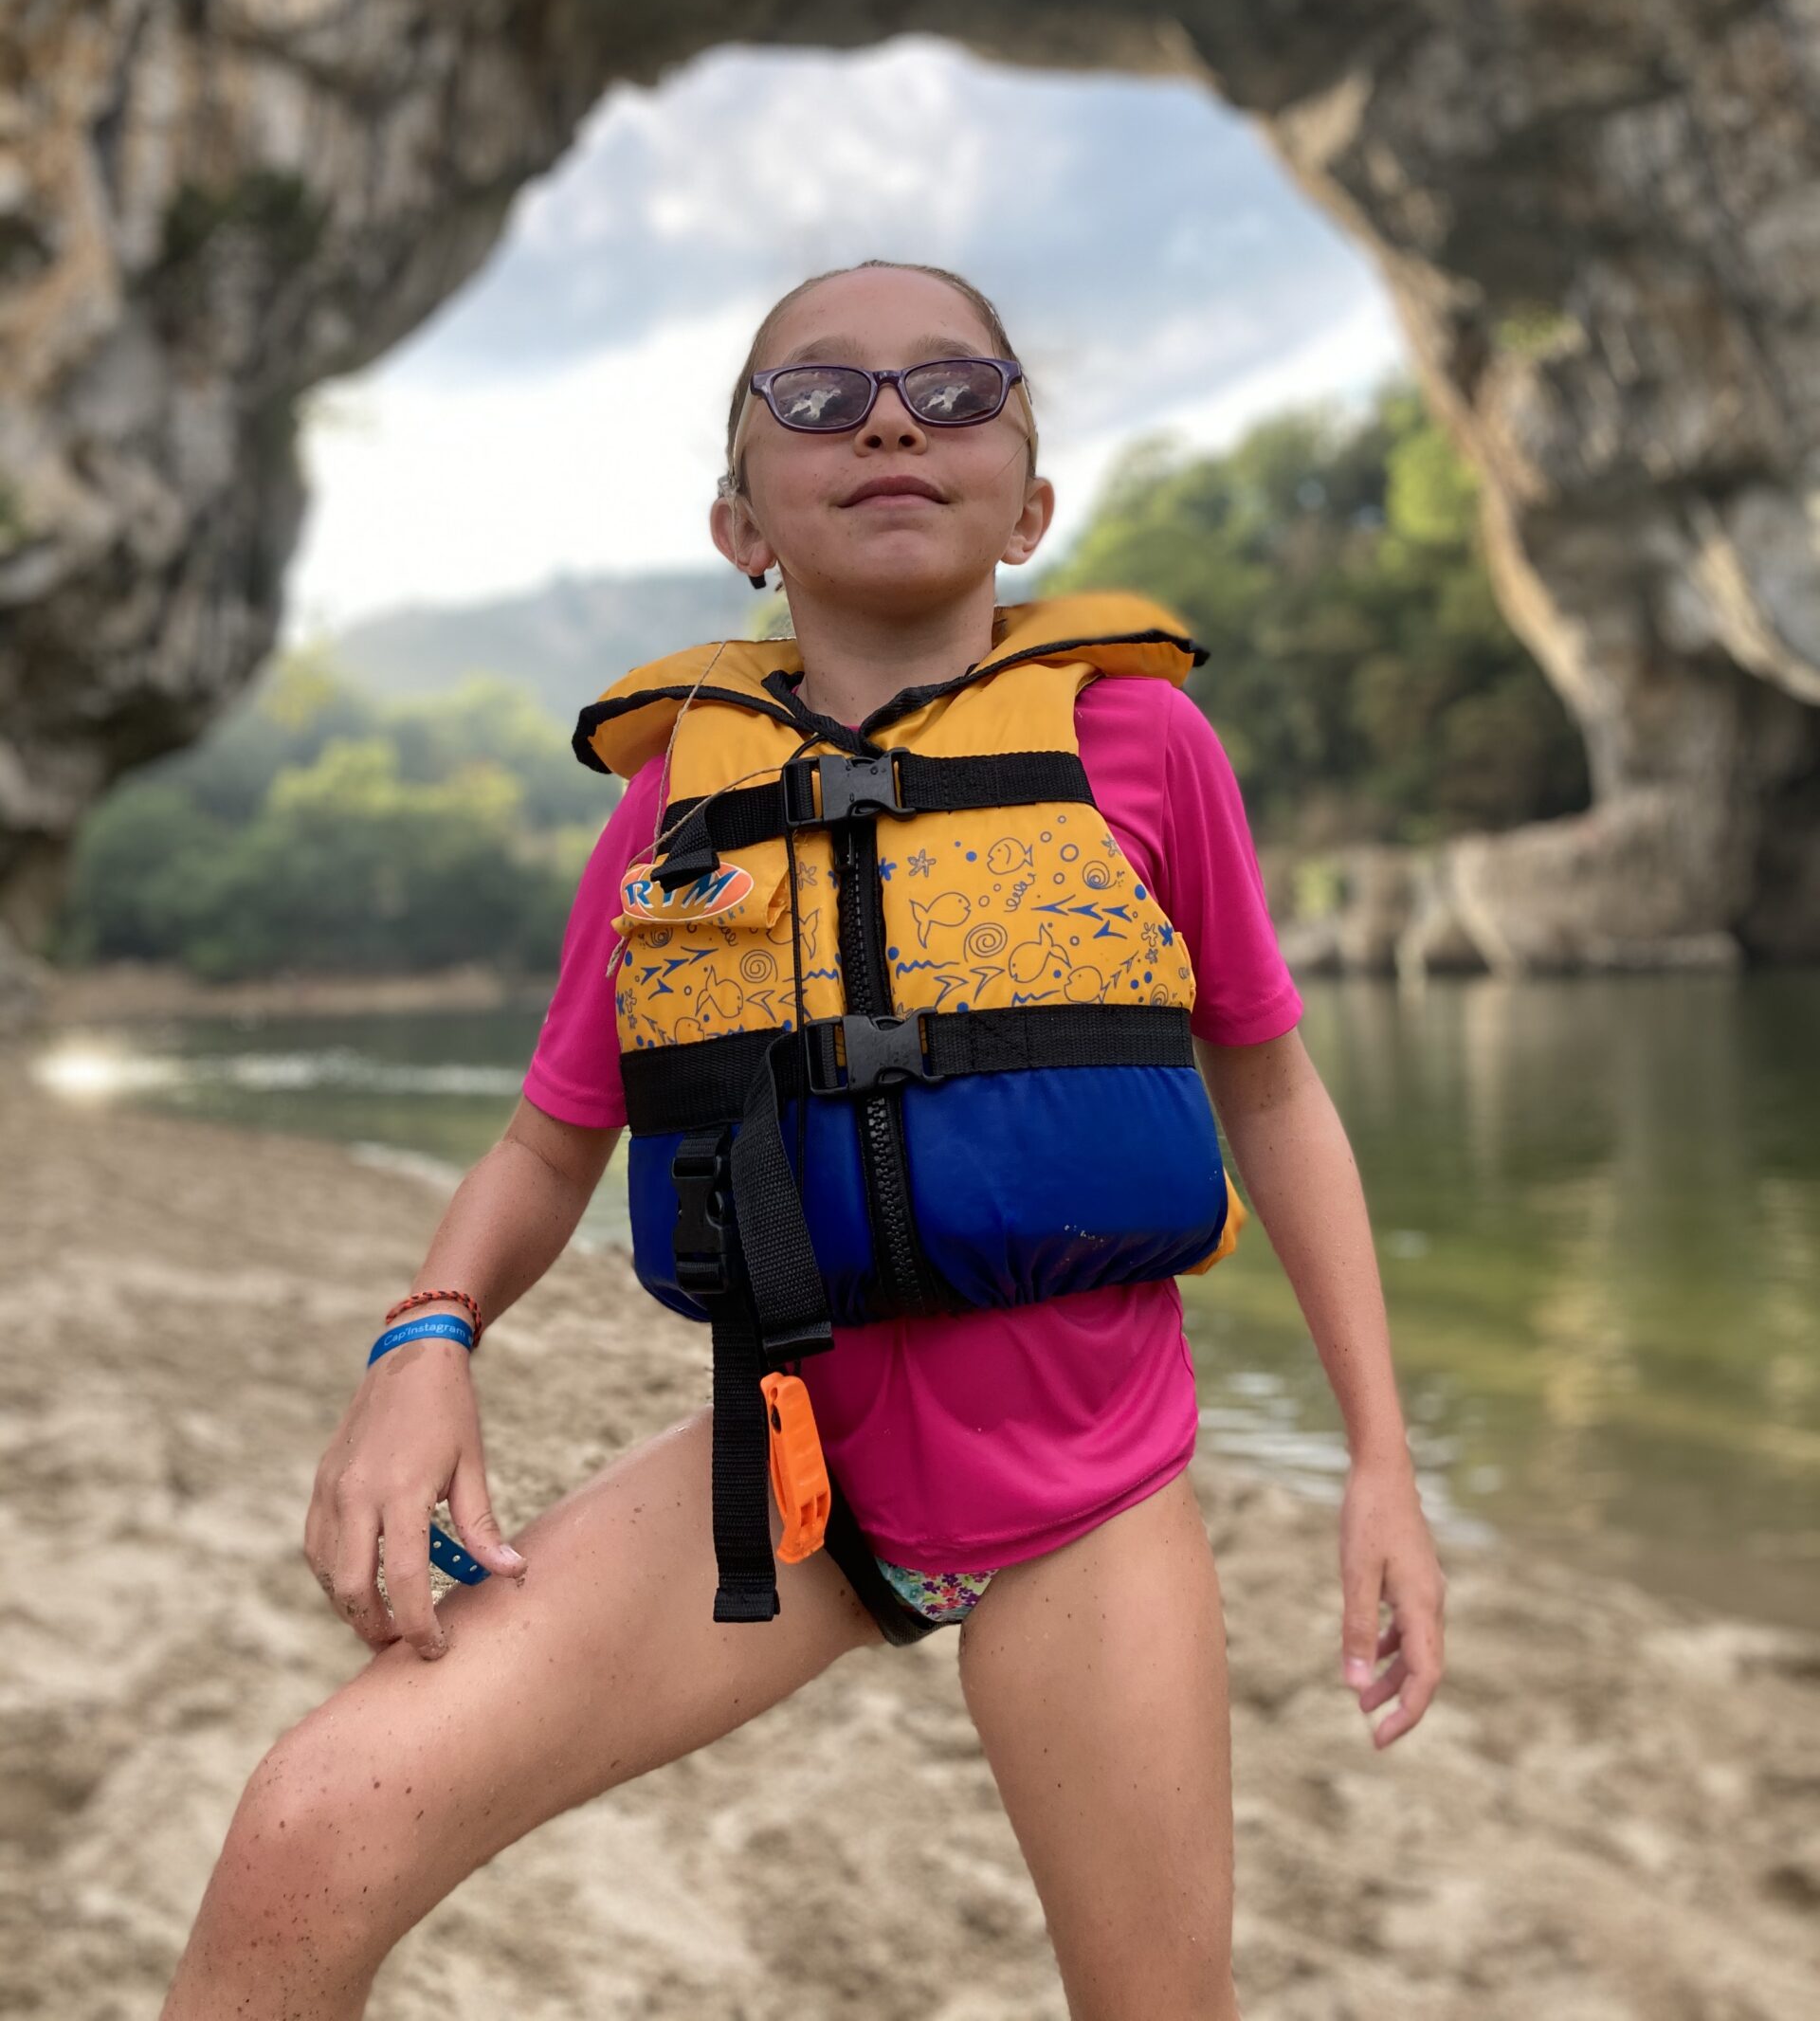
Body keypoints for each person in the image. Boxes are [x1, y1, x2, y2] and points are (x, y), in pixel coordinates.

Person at [161, 258, 1446, 2021]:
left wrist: (1381, 1461)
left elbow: (1278, 1098)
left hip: (1084, 1491)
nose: (895, 418)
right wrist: (425, 1337)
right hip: (790, 1473)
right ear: (738, 517)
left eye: (958, 388)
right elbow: (548, 1150)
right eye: (821, 398)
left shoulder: (1143, 746)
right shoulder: (668, 810)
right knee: (308, 1826)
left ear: (1032, 500)